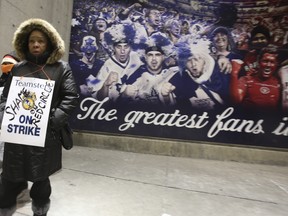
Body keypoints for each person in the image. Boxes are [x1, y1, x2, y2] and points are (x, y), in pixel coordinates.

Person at [0, 18, 79, 216]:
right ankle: (5, 207)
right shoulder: (18, 68)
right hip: (17, 135)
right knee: (10, 175)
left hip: (45, 136)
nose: (36, 44)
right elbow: (5, 97)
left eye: (41, 41)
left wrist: (53, 120)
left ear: (49, 43)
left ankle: (40, 208)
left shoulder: (61, 68)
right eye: (32, 41)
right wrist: (5, 116)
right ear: (26, 43)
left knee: (41, 178)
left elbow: (70, 97)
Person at [91, 23, 144, 102]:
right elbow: (99, 99)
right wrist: (106, 84)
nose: (122, 51)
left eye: (126, 46)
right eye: (119, 47)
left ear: (130, 47)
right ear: (113, 48)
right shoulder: (107, 65)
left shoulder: (135, 57)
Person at [230, 45, 281, 111]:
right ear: (259, 62)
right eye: (265, 61)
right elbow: (235, 102)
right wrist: (234, 74)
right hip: (249, 119)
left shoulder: (278, 84)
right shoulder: (245, 80)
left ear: (276, 64)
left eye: (272, 62)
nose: (268, 65)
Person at [0, 53, 19, 169]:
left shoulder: (20, 81)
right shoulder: (1, 80)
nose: (6, 66)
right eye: (4, 64)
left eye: (9, 64)